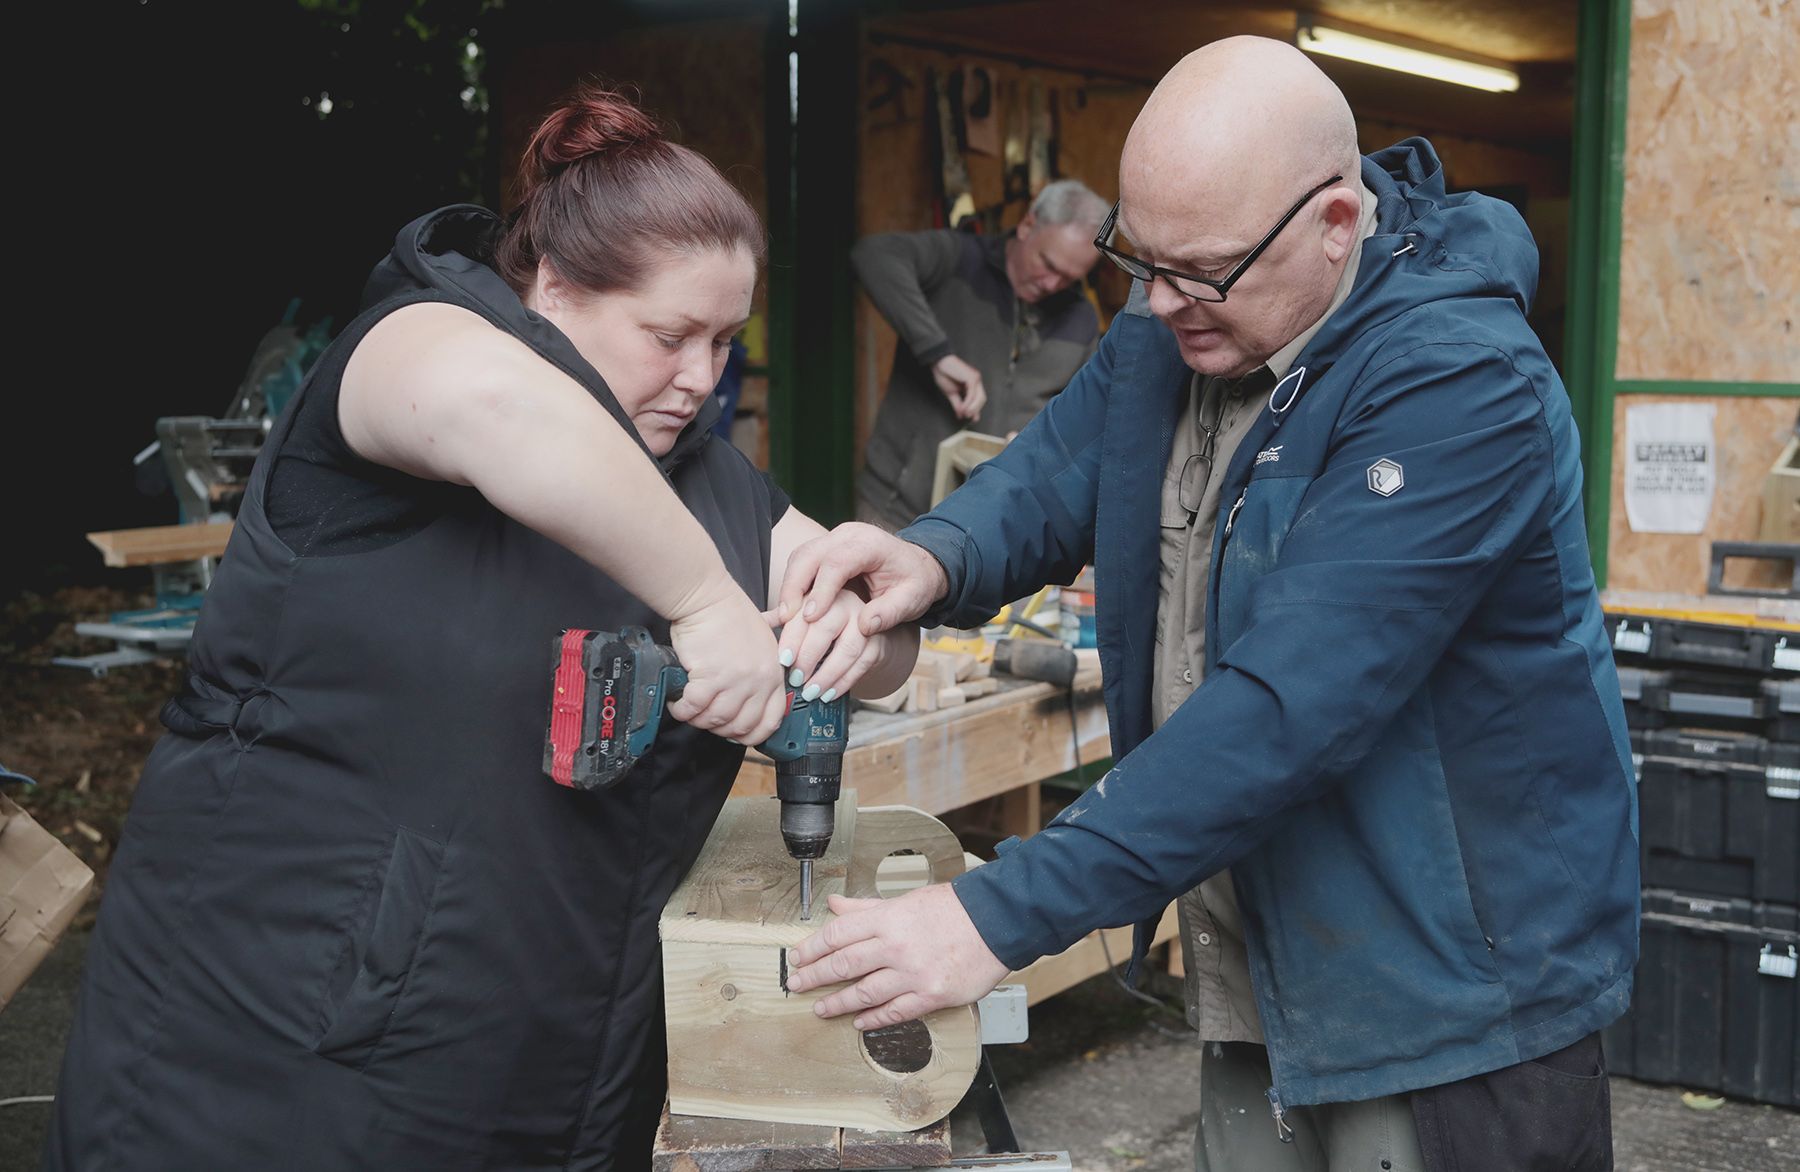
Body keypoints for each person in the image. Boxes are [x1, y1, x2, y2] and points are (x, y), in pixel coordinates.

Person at [776, 37, 1636, 1172]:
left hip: (1456, 996)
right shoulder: (1184, 314)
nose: (1162, 302)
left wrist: (995, 914)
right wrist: (927, 557)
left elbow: (1288, 709)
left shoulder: (1459, 384)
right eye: (1142, 261)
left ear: (1336, 224)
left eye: (1202, 273)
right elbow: (1060, 466)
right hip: (1267, 956)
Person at [45, 84, 914, 1171]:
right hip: (277, 1059)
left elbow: (882, 639)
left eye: (725, 341)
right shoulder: (411, 345)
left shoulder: (703, 475)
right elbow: (503, 412)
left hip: (554, 1069)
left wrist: (845, 632)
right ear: (553, 286)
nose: (703, 378)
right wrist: (704, 603)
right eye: (669, 334)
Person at [854, 178, 1110, 529]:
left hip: (994, 524)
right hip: (897, 506)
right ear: (1027, 225)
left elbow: (1085, 412)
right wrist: (938, 353)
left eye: (1069, 279)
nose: (1052, 285)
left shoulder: (1080, 320)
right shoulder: (958, 260)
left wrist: (1041, 440)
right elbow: (875, 255)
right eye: (1048, 265)